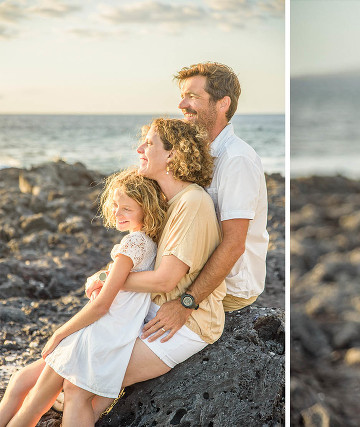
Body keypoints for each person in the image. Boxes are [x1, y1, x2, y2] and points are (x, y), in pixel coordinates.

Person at [0, 118, 223, 425]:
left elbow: (165, 278)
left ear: (172, 155)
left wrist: (109, 281)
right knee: (34, 375)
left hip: (181, 325)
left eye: (149, 143)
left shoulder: (191, 202)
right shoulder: (164, 200)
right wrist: (108, 277)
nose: (139, 148)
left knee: (75, 385)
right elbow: (138, 259)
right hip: (142, 314)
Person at [1, 168, 166, 426]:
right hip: (107, 333)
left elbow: (101, 306)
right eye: (115, 205)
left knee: (33, 406)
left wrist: (59, 334)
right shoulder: (148, 244)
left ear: (146, 209)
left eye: (126, 209)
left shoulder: (133, 244)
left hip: (96, 334)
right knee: (24, 383)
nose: (117, 213)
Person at [138, 61, 269, 346]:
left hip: (230, 287)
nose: (182, 103)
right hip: (187, 269)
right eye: (183, 96)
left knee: (121, 317)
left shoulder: (237, 160)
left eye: (192, 96)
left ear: (223, 104)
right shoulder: (198, 154)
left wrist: (186, 303)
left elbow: (234, 244)